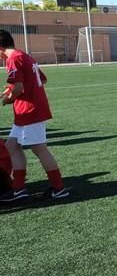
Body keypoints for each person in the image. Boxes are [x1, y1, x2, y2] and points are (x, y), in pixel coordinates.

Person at [0, 29, 67, 203]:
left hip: (29, 110)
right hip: (27, 110)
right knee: (11, 147)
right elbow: (41, 79)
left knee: (39, 148)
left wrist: (8, 99)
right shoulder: (25, 56)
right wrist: (10, 89)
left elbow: (19, 88)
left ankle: (58, 188)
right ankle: (19, 189)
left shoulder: (13, 59)